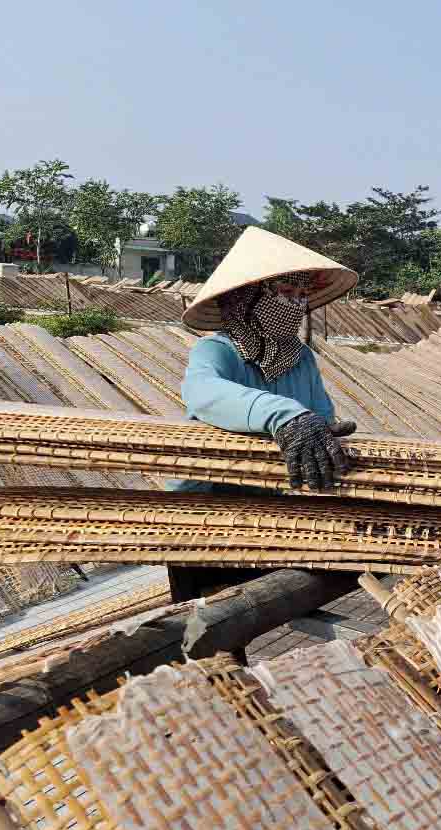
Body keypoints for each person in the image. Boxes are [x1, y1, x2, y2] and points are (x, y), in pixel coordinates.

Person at [168, 227, 360, 608]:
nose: (296, 305)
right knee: (214, 623)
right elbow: (203, 393)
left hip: (275, 513)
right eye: (285, 294)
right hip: (208, 520)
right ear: (245, 299)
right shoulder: (216, 351)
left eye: (302, 296)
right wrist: (285, 418)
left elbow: (319, 417)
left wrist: (322, 431)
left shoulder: (300, 359)